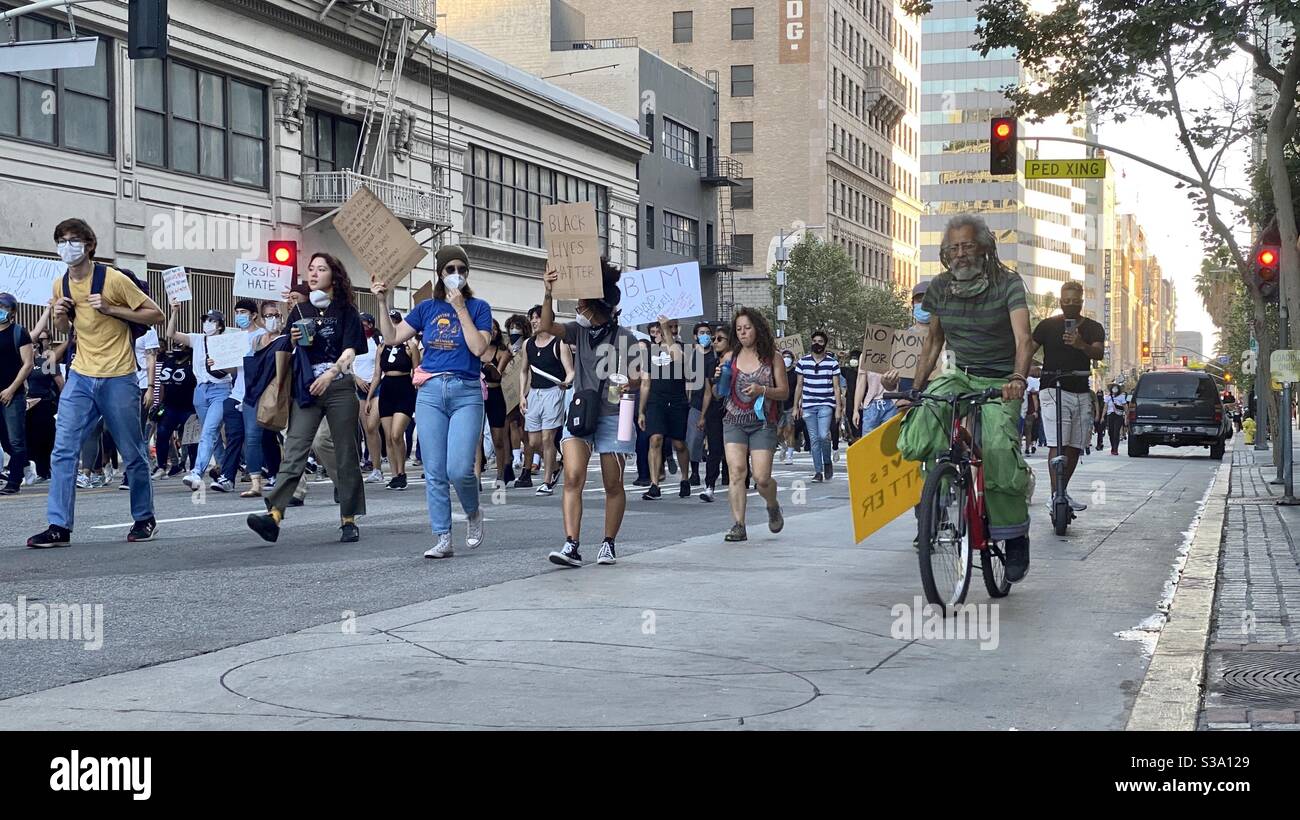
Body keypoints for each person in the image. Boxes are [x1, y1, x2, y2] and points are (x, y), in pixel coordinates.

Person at [902, 213, 1032, 581]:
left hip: (1001, 379)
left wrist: (1018, 378)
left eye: (968, 246)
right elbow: (933, 342)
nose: (961, 254)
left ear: (985, 248)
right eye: (954, 247)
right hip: (959, 375)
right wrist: (917, 387)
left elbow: (1024, 339)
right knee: (920, 428)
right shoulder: (941, 287)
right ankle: (940, 498)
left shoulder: (1008, 284)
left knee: (995, 449)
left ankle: (1015, 535)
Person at [29, 218, 164, 548]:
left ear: (89, 245)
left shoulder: (113, 279)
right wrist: (60, 313)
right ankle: (59, 526)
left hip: (118, 375)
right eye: (61, 240)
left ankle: (144, 518)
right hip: (81, 375)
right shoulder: (60, 283)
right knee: (63, 449)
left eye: (74, 240)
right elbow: (65, 327)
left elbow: (155, 314)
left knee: (131, 450)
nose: (67, 247)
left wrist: (112, 307)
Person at [373, 245, 491, 559]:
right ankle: (442, 536)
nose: (456, 275)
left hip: (466, 391)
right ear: (439, 273)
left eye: (461, 270)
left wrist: (462, 309)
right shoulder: (426, 308)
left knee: (458, 469)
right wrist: (382, 301)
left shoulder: (479, 307)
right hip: (430, 392)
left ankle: (473, 511)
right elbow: (392, 337)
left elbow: (479, 348)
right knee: (435, 470)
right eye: (450, 269)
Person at [247, 252, 369, 544]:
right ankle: (274, 515)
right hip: (307, 386)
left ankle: (348, 518)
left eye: (321, 269)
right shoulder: (300, 311)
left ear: (334, 275)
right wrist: (289, 340)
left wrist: (332, 373)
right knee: (295, 447)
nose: (313, 273)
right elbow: (288, 349)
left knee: (345, 451)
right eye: (311, 269)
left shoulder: (347, 311)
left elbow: (351, 351)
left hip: (338, 385)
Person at [541, 260, 644, 567]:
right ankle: (571, 544)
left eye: (582, 304)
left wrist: (629, 383)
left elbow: (636, 377)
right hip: (581, 412)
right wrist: (547, 293)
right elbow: (547, 327)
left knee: (614, 483)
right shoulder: (578, 332)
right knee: (573, 476)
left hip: (618, 414)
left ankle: (608, 543)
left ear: (595, 307)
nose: (578, 309)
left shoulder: (628, 339)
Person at [1030, 281, 1104, 512]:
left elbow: (1099, 352)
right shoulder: (1046, 326)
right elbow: (1026, 350)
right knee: (1057, 442)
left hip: (1081, 389)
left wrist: (1081, 345)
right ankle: (1056, 495)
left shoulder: (1093, 327)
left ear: (1081, 302)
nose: (1070, 305)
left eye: (1075, 301)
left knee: (1074, 446)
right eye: (1066, 301)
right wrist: (1024, 371)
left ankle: (1062, 490)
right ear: (1061, 302)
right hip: (1052, 388)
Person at [717, 307, 789, 541]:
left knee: (761, 477)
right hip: (733, 419)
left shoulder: (773, 358)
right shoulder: (730, 357)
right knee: (736, 471)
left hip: (762, 422)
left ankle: (772, 504)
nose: (743, 332)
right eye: (738, 329)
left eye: (747, 328)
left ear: (757, 328)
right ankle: (739, 524)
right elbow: (720, 393)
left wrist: (762, 390)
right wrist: (720, 377)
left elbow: (784, 392)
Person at [518, 304, 573, 495]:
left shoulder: (560, 343)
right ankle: (556, 465)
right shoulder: (528, 344)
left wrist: (566, 382)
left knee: (547, 438)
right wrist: (521, 395)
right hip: (534, 393)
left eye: (538, 317)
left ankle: (547, 481)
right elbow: (524, 371)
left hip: (553, 392)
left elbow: (570, 371)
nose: (534, 321)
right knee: (532, 442)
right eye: (532, 317)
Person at [639, 317, 693, 500]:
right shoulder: (650, 353)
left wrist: (667, 330)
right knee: (655, 439)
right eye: (668, 327)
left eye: (674, 327)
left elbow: (676, 359)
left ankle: (685, 478)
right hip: (656, 401)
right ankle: (655, 485)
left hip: (677, 401)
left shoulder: (684, 349)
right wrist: (641, 410)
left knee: (679, 443)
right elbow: (645, 382)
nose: (672, 330)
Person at [368, 309, 420, 491]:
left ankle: (402, 472)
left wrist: (418, 394)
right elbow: (376, 375)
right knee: (388, 437)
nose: (393, 326)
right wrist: (369, 398)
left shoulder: (410, 346)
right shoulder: (381, 347)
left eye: (396, 322)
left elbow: (417, 372)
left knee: (397, 434)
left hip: (404, 388)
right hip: (387, 388)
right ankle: (394, 474)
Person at [793, 330, 843, 482]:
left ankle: (827, 461)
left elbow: (836, 387)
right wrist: (796, 406)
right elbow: (799, 385)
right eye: (814, 341)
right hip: (808, 405)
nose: (817, 344)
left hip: (825, 404)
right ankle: (818, 471)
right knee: (814, 439)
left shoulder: (832, 363)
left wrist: (839, 408)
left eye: (820, 341)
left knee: (823, 435)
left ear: (825, 344)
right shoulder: (803, 362)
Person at [0, 292, 34, 494]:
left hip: (13, 394)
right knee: (5, 440)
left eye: (4, 307)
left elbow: (28, 364)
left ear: (12, 311)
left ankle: (14, 482)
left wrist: (11, 389)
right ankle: (24, 465)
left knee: (16, 439)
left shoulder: (19, 332)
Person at [151, 336, 197, 480]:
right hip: (169, 406)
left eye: (181, 344)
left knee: (191, 440)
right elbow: (163, 384)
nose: (178, 346)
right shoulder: (168, 361)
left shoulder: (193, 363)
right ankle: (161, 467)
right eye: (175, 344)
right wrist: (160, 402)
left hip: (188, 408)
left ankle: (194, 469)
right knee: (162, 435)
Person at [24, 323, 61, 485]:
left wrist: (62, 404)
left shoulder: (47, 361)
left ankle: (44, 470)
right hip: (28, 403)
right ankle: (31, 470)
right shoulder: (24, 363)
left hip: (45, 403)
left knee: (44, 439)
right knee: (28, 438)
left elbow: (60, 383)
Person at [479, 319, 514, 487]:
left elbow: (498, 374)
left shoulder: (502, 351)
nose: (492, 332)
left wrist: (491, 367)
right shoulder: (475, 348)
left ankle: (501, 474)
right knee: (476, 439)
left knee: (498, 439)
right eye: (489, 328)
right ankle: (476, 477)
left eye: (494, 329)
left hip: (494, 394)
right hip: (477, 396)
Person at [697, 324, 729, 502]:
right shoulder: (712, 364)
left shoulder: (740, 362)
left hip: (737, 412)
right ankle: (709, 486)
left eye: (719, 339)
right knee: (714, 449)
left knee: (735, 450)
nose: (715, 342)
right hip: (716, 411)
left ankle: (740, 480)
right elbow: (711, 392)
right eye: (714, 339)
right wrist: (702, 415)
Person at [354, 313, 384, 484]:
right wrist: (357, 379)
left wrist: (372, 387)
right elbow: (348, 364)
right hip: (358, 388)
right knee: (367, 430)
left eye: (366, 324)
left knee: (373, 425)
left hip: (377, 386)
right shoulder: (353, 341)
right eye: (361, 325)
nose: (364, 327)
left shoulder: (378, 340)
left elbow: (379, 368)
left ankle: (378, 466)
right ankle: (375, 468)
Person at [685, 322, 713, 486]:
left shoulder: (716, 355)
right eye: (701, 332)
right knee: (694, 440)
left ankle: (721, 472)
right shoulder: (691, 355)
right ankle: (694, 472)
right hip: (696, 402)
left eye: (708, 333)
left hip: (715, 404)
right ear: (695, 336)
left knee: (717, 440)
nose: (705, 335)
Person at [504, 313, 531, 474]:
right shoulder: (507, 346)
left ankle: (532, 460)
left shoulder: (529, 344)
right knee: (512, 423)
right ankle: (515, 457)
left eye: (518, 327)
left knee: (526, 428)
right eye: (512, 327)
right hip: (512, 391)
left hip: (527, 389)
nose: (514, 330)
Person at [776, 347, 798, 465]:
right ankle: (783, 446)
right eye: (784, 357)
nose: (786, 359)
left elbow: (799, 388)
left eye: (788, 357)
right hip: (779, 405)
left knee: (790, 429)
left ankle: (790, 455)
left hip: (791, 405)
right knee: (777, 432)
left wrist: (797, 405)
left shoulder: (795, 372)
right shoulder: (778, 371)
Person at [1104, 383, 1127, 455]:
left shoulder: (1121, 397)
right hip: (1110, 415)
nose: (1115, 389)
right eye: (1113, 388)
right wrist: (1102, 417)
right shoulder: (1108, 397)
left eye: (1116, 388)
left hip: (1118, 416)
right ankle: (1112, 447)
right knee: (1111, 432)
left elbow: (1125, 407)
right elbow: (1105, 407)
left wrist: (1127, 416)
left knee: (1116, 432)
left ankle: (1115, 449)